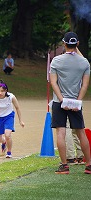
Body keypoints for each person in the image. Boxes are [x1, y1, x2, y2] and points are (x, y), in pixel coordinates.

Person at [49, 31, 91, 174]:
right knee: (81, 133)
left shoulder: (56, 61)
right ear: (77, 44)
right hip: (75, 102)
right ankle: (89, 165)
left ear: (64, 43)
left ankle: (64, 165)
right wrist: (77, 101)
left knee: (61, 132)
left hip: (59, 101)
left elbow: (53, 83)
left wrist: (62, 100)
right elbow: (85, 85)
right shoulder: (84, 62)